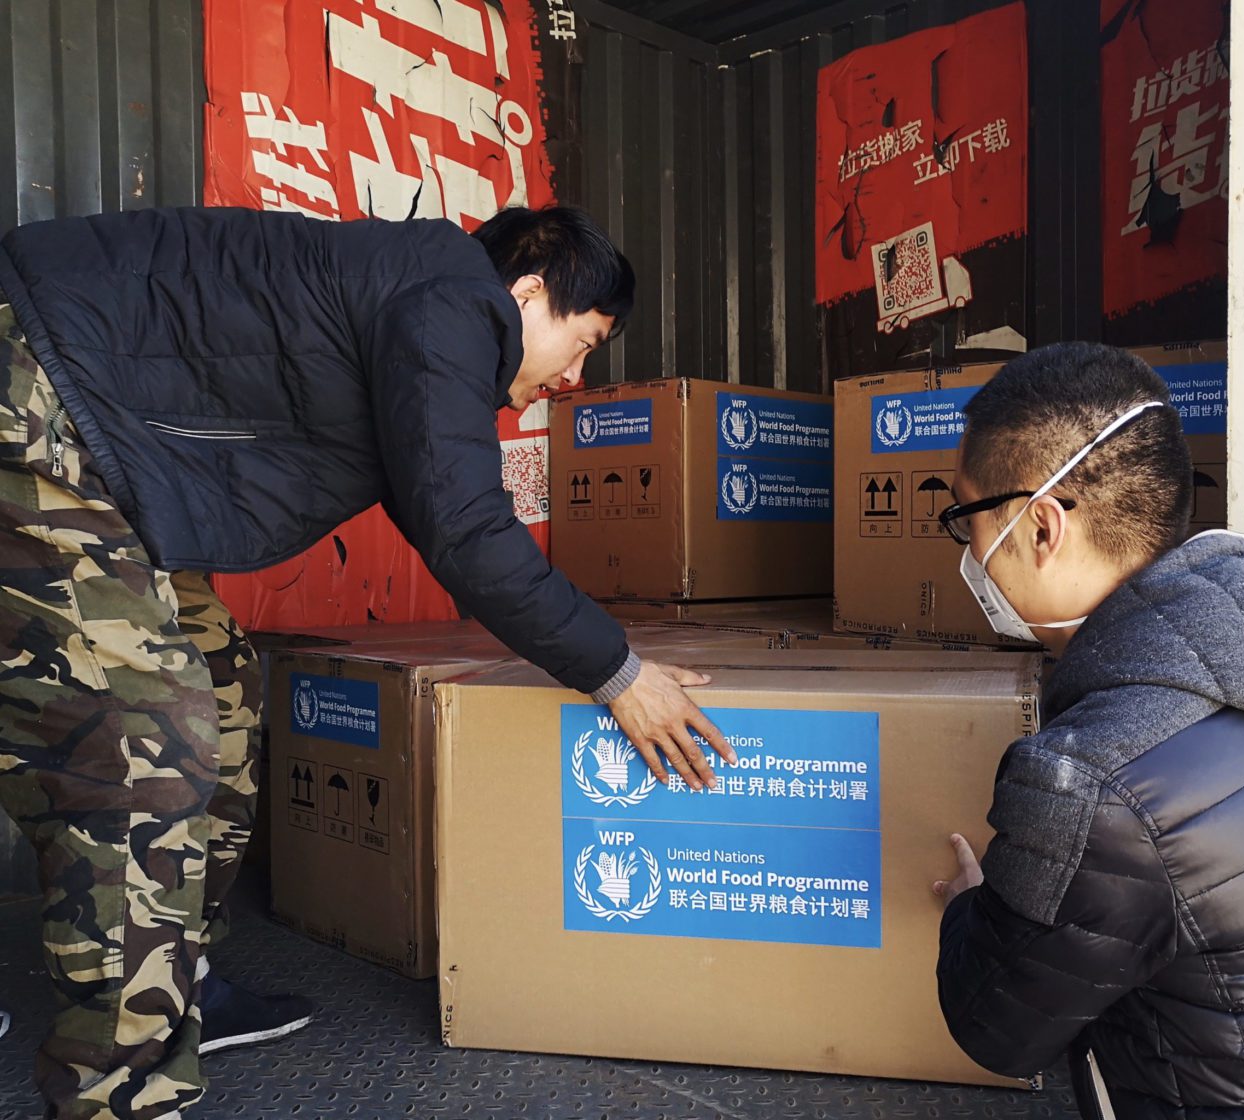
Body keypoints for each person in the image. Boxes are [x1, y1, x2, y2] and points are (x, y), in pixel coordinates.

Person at [0, 204, 734, 1120]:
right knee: (143, 741)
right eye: (583, 343)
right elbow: (466, 531)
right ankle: (116, 1092)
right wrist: (621, 675)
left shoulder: (417, 308)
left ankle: (171, 984)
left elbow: (440, 501)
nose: (575, 376)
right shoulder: (451, 299)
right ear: (529, 290)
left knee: (224, 686)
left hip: (102, 455)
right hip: (33, 397)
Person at [932, 342, 1244, 1119]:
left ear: (1041, 527)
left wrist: (973, 911)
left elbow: (998, 1027)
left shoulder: (1096, 784)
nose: (970, 551)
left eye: (966, 516)